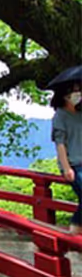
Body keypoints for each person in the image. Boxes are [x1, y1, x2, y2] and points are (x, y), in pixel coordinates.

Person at [52, 82, 82, 232]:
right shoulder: (60, 115)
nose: (78, 93)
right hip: (73, 165)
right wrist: (66, 168)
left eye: (79, 89)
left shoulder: (80, 114)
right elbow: (60, 143)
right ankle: (74, 231)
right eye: (74, 91)